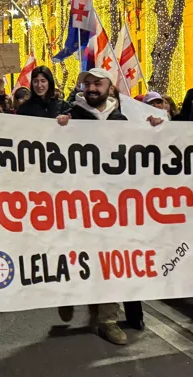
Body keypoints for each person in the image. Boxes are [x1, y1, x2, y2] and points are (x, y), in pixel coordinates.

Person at [55, 68, 146, 343]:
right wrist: (56, 128)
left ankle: (108, 319)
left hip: (112, 205)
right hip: (78, 203)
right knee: (78, 256)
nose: (92, 88)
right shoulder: (71, 116)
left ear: (110, 87)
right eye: (88, 83)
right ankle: (69, 291)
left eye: (98, 83)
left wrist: (157, 127)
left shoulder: (122, 118)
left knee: (110, 261)